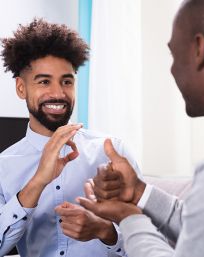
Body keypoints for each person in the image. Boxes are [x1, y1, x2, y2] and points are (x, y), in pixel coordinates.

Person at [77, 0, 204, 256]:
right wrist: (138, 192)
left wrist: (128, 217)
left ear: (198, 49)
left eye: (174, 54)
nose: (172, 69)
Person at [0, 18, 140, 257]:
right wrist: (37, 181)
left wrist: (105, 231)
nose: (58, 93)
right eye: (44, 81)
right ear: (21, 88)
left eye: (67, 81)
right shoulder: (4, 165)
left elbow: (148, 242)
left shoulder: (111, 151)